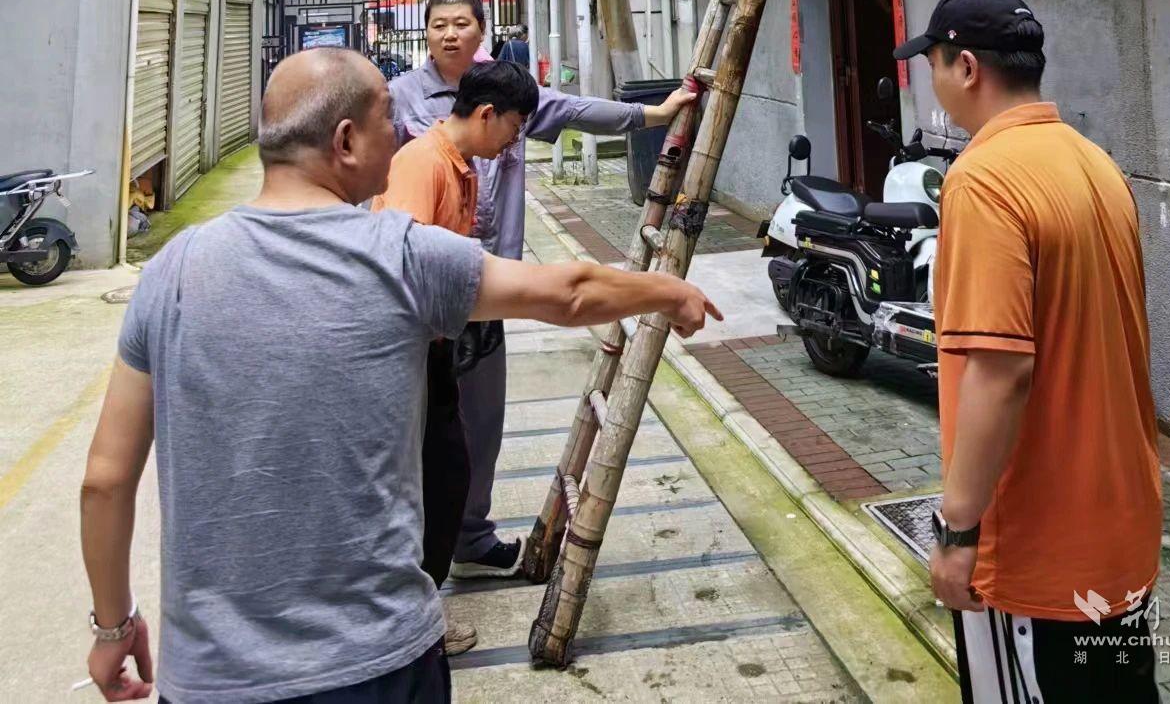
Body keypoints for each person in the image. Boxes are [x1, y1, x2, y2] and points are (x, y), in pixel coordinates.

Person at [80, 47, 720, 704]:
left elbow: (105, 480)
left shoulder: (170, 270)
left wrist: (113, 627)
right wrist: (670, 292)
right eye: (388, 118)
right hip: (376, 663)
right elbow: (571, 293)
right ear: (346, 141)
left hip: (211, 678)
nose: (402, 131)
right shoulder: (399, 255)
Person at [894, 0, 1161, 703]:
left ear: (966, 68)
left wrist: (957, 533)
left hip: (1039, 548)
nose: (932, 80)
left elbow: (1000, 372)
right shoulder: (1094, 163)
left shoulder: (983, 181)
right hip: (1119, 531)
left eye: (933, 63)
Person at [391, 0, 695, 578]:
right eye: (438, 23)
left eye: (461, 23)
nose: (449, 34)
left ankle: (469, 537)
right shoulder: (405, 110)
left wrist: (651, 116)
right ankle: (416, 560)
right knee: (423, 433)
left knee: (480, 423)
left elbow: (574, 110)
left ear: (482, 30)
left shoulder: (510, 93)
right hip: (428, 305)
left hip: (491, 289)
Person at [372, 60, 539, 656]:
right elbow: (400, 264)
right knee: (423, 487)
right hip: (407, 354)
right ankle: (410, 625)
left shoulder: (461, 166)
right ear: (488, 114)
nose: (514, 142)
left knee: (446, 476)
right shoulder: (424, 163)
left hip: (435, 348)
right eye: (514, 127)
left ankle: (418, 611)